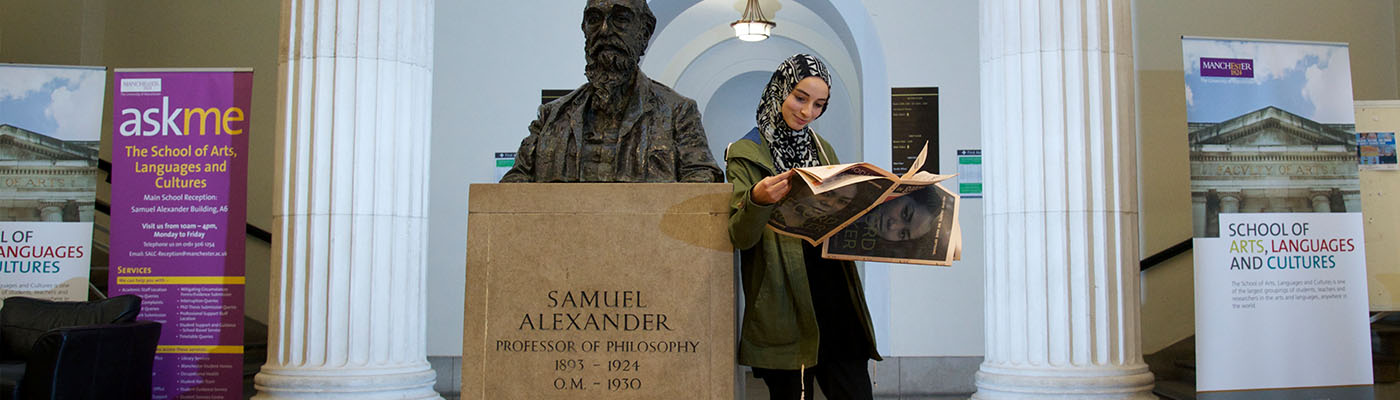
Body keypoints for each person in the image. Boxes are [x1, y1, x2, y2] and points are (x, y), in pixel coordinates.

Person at [725, 53, 880, 400]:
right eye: (800, 97)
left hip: (836, 297)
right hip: (785, 302)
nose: (808, 112)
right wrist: (757, 200)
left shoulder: (823, 150)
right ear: (781, 89)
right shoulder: (746, 153)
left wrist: (870, 208)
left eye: (819, 104)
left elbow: (839, 217)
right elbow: (740, 236)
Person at [499, 0, 723, 183]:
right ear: (585, 30)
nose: (605, 31)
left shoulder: (678, 113)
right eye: (595, 19)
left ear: (644, 33)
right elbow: (513, 188)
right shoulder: (552, 117)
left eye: (621, 19)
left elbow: (702, 186)